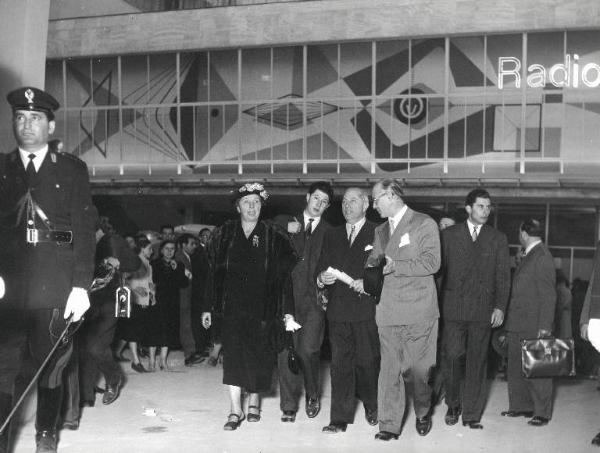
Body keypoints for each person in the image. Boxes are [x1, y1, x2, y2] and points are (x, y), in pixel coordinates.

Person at [0, 87, 96, 453]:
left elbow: (85, 230)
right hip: (7, 287)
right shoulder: (2, 168)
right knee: (3, 369)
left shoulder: (71, 169)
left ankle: (45, 433)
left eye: (35, 118)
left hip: (55, 283)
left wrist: (81, 286)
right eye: (20, 118)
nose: (27, 125)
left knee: (51, 365)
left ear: (50, 125)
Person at [201, 183, 297, 431]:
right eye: (247, 202)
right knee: (232, 357)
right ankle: (235, 410)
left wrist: (287, 310)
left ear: (262, 206)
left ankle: (254, 399)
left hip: (263, 309)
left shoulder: (274, 235)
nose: (252, 207)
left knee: (259, 357)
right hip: (231, 307)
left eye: (256, 202)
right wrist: (207, 307)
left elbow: (284, 277)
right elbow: (212, 274)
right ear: (237, 206)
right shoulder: (223, 234)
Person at [366, 178, 441, 441]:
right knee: (390, 369)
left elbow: (432, 262)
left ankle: (422, 409)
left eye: (376, 199)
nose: (373, 205)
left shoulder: (424, 223)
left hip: (419, 310)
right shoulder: (379, 231)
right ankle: (388, 424)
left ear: (391, 195)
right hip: (387, 310)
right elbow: (374, 263)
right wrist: (366, 277)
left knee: (419, 370)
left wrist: (397, 265)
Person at [440, 189, 511, 429]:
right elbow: (440, 274)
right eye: (481, 206)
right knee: (451, 357)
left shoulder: (498, 238)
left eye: (489, 207)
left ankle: (471, 414)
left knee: (477, 362)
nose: (486, 211)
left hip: (482, 310)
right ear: (468, 208)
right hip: (453, 309)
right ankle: (452, 403)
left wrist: (500, 307)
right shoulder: (449, 235)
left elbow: (503, 277)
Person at [316, 187, 380, 434]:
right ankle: (339, 418)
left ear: (366, 204)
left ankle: (372, 405)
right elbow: (321, 265)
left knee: (367, 362)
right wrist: (321, 277)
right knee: (340, 365)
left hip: (367, 309)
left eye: (353, 201)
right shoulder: (331, 234)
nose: (347, 205)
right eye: (344, 201)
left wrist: (370, 283)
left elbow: (385, 268)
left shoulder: (378, 231)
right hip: (338, 310)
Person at [275, 181, 333, 423]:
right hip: (286, 299)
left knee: (308, 350)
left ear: (328, 206)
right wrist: (282, 225)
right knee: (285, 351)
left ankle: (312, 393)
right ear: (307, 197)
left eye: (324, 202)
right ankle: (288, 405)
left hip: (315, 302)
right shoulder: (286, 222)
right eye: (316, 198)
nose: (318, 204)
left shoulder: (330, 231)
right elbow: (263, 227)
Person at [501, 219, 556, 427]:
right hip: (518, 323)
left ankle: (542, 413)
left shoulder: (542, 256)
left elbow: (549, 296)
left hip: (534, 324)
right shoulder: (529, 255)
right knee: (515, 368)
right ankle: (520, 406)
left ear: (523, 233)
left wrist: (545, 327)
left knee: (539, 370)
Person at [79, 230, 141, 406]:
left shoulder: (112, 240)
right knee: (85, 348)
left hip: (108, 301)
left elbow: (134, 263)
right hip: (83, 301)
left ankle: (113, 377)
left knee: (96, 346)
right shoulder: (77, 237)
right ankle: (86, 394)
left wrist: (118, 263)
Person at [149, 239, 188, 370]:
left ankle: (163, 361)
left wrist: (176, 270)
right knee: (154, 330)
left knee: (168, 330)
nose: (170, 251)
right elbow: (152, 281)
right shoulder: (153, 264)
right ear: (161, 250)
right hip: (157, 300)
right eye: (167, 248)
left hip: (172, 302)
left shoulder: (179, 264)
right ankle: (151, 361)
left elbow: (184, 284)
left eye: (172, 249)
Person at [121, 236, 156, 373]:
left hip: (146, 301)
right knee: (133, 331)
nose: (152, 251)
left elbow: (150, 281)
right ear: (142, 249)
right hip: (134, 301)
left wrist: (153, 292)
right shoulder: (133, 262)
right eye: (149, 249)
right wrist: (135, 290)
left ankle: (136, 359)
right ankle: (136, 361)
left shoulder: (148, 264)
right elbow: (124, 280)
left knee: (138, 330)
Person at [175, 233, 205, 366]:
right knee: (185, 326)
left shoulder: (186, 257)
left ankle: (190, 353)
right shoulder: (179, 258)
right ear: (183, 245)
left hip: (186, 297)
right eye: (191, 244)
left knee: (185, 325)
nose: (194, 247)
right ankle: (189, 354)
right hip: (183, 297)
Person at [555, 270, 572, 339]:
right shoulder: (566, 291)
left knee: (563, 333)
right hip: (565, 315)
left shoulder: (561, 291)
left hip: (563, 314)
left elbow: (562, 305)